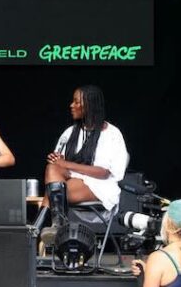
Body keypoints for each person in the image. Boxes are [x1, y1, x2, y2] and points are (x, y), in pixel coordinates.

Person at [40, 85, 128, 243]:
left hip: (100, 186)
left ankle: (42, 225)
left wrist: (66, 164)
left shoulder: (111, 134)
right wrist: (57, 160)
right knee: (52, 169)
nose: (71, 105)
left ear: (90, 105)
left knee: (54, 192)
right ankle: (56, 225)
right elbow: (60, 165)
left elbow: (104, 172)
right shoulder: (70, 132)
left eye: (76, 102)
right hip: (72, 181)